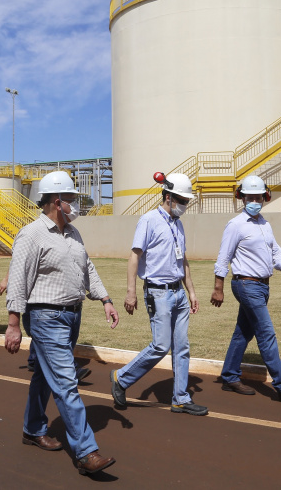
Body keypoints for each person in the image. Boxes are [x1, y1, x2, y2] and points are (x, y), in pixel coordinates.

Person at [4, 170, 120, 476]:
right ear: (57, 201)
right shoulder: (31, 234)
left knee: (45, 376)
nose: (76, 205)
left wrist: (105, 299)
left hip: (71, 315)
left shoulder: (72, 233)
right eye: (71, 199)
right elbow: (17, 280)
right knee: (67, 382)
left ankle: (32, 429)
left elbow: (87, 268)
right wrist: (13, 323)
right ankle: (86, 453)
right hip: (44, 316)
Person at [110, 173, 207, 416]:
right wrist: (130, 292)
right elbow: (134, 256)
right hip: (157, 292)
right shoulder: (149, 220)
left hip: (178, 294)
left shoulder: (178, 224)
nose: (185, 205)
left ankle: (181, 398)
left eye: (186, 201)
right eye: (182, 200)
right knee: (161, 345)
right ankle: (121, 378)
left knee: (182, 347)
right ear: (168, 197)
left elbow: (182, 259)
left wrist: (191, 292)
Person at [210, 175, 281, 404]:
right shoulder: (236, 225)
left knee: (244, 332)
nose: (254, 201)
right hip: (245, 284)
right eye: (250, 197)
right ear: (242, 198)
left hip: (263, 286)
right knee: (266, 333)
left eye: (258, 197)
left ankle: (229, 376)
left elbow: (276, 252)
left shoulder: (265, 224)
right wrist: (218, 288)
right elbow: (223, 258)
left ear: (264, 197)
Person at [0, 272, 92, 382]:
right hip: (34, 295)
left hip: (48, 292)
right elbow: (17, 260)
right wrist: (7, 279)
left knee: (41, 334)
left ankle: (34, 360)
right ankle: (71, 369)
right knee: (46, 334)